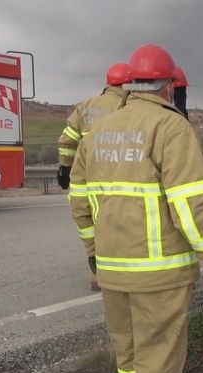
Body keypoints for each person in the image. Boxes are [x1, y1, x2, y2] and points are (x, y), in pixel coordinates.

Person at [68, 44, 203, 373]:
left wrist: (94, 254)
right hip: (159, 277)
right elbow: (189, 203)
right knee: (157, 371)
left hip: (112, 273)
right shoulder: (170, 127)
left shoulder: (98, 132)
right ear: (169, 86)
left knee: (129, 362)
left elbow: (79, 202)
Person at [58, 62, 131, 292]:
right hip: (124, 173)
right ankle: (124, 272)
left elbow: (67, 139)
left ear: (107, 83)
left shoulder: (86, 106)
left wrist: (65, 167)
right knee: (126, 221)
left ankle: (97, 272)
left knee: (91, 220)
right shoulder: (129, 104)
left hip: (89, 176)